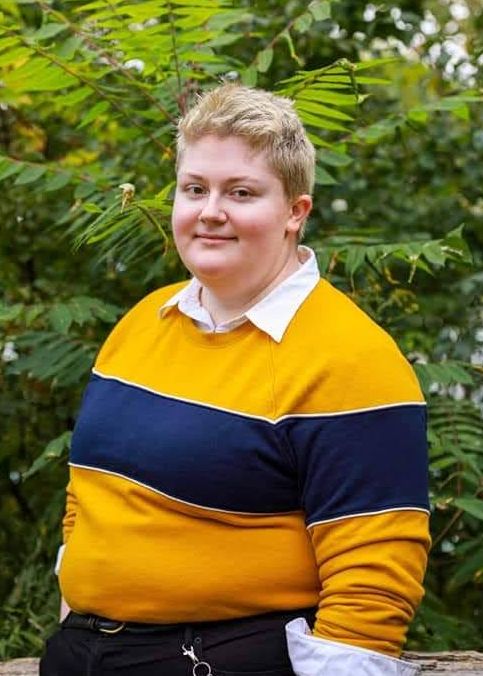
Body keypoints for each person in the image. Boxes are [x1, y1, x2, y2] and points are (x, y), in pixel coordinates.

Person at [40, 83, 430, 676]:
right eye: (194, 189)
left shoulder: (352, 358)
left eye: (241, 193)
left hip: (219, 659)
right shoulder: (143, 322)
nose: (210, 211)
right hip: (82, 653)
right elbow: (90, 492)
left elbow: (371, 581)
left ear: (295, 213)